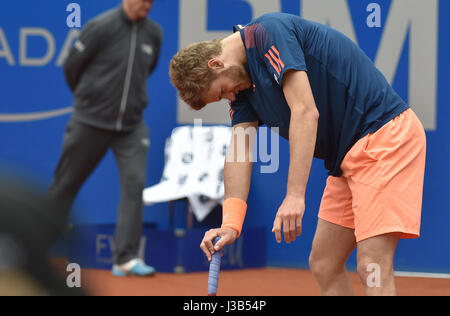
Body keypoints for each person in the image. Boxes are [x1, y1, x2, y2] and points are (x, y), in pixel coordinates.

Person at [169, 13, 426, 295]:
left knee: (372, 265)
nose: (230, 98)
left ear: (216, 64)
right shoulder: (242, 86)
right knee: (324, 263)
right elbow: (240, 150)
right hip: (348, 158)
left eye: (222, 93)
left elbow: (305, 112)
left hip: (384, 138)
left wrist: (294, 195)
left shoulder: (267, 33)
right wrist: (231, 224)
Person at [47, 0, 163, 277]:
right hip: (90, 121)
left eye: (151, 1)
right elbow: (72, 68)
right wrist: (91, 100)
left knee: (135, 185)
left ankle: (125, 257)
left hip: (132, 126)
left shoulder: (154, 33)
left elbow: (147, 70)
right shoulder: (100, 26)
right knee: (65, 185)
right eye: (141, 0)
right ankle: (38, 247)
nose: (146, 5)